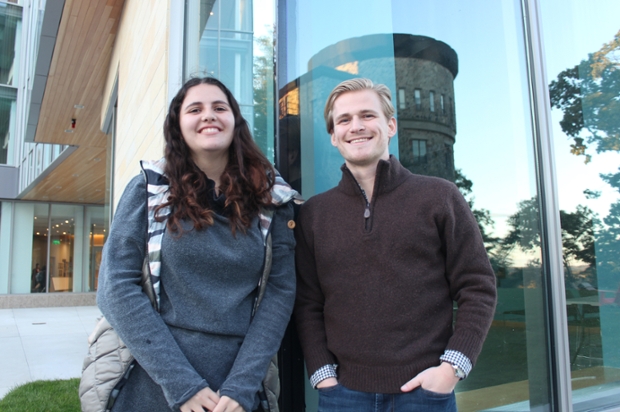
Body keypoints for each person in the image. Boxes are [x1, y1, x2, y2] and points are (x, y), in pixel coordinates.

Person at [97, 77, 299, 412]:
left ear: (235, 121)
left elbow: (279, 293)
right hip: (155, 383)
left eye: (219, 107)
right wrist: (182, 385)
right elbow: (115, 287)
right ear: (178, 126)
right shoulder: (149, 190)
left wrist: (242, 387)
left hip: (237, 390)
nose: (209, 115)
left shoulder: (272, 200)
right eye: (195, 109)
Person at [294, 78, 497, 411]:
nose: (356, 126)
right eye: (344, 120)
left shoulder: (439, 196)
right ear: (333, 136)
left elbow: (478, 286)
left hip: (425, 393)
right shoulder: (314, 213)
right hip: (342, 396)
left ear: (390, 126)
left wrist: (451, 369)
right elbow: (308, 302)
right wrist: (321, 374)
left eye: (367, 115)